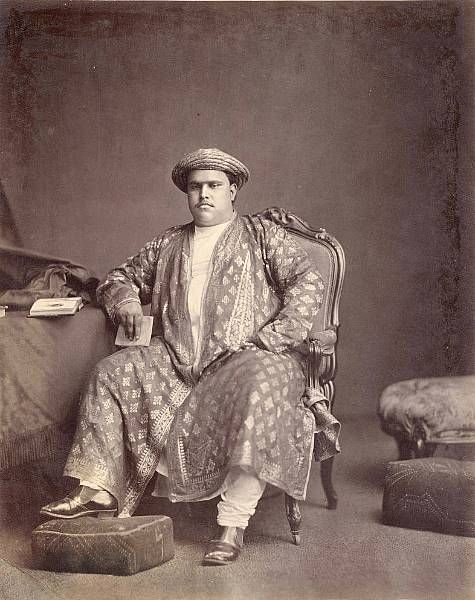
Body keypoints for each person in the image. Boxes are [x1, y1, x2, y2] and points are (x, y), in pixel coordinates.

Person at [40, 148, 339, 565]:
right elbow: (119, 277)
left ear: (232, 191)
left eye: (214, 185)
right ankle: (98, 489)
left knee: (259, 386)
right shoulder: (169, 242)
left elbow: (308, 282)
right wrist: (126, 300)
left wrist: (273, 337)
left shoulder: (261, 235)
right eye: (196, 187)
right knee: (110, 372)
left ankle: (232, 525)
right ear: (187, 193)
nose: (204, 194)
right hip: (177, 358)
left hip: (249, 356)